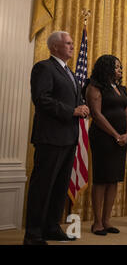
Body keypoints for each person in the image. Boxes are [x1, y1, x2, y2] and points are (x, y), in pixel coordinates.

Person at [24, 31, 90, 245]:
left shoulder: (69, 72)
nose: (72, 47)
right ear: (54, 47)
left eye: (72, 44)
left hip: (70, 138)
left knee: (60, 187)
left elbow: (74, 99)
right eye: (68, 43)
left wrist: (83, 106)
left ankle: (51, 227)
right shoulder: (44, 68)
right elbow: (41, 99)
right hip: (50, 137)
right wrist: (72, 111)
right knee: (43, 186)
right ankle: (33, 233)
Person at [85, 55, 127, 235]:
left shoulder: (121, 89)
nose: (120, 70)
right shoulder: (95, 87)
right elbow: (96, 115)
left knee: (113, 179)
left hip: (121, 139)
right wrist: (115, 135)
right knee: (101, 179)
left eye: (120, 67)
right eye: (116, 67)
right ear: (106, 68)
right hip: (103, 138)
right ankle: (97, 222)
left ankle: (107, 221)